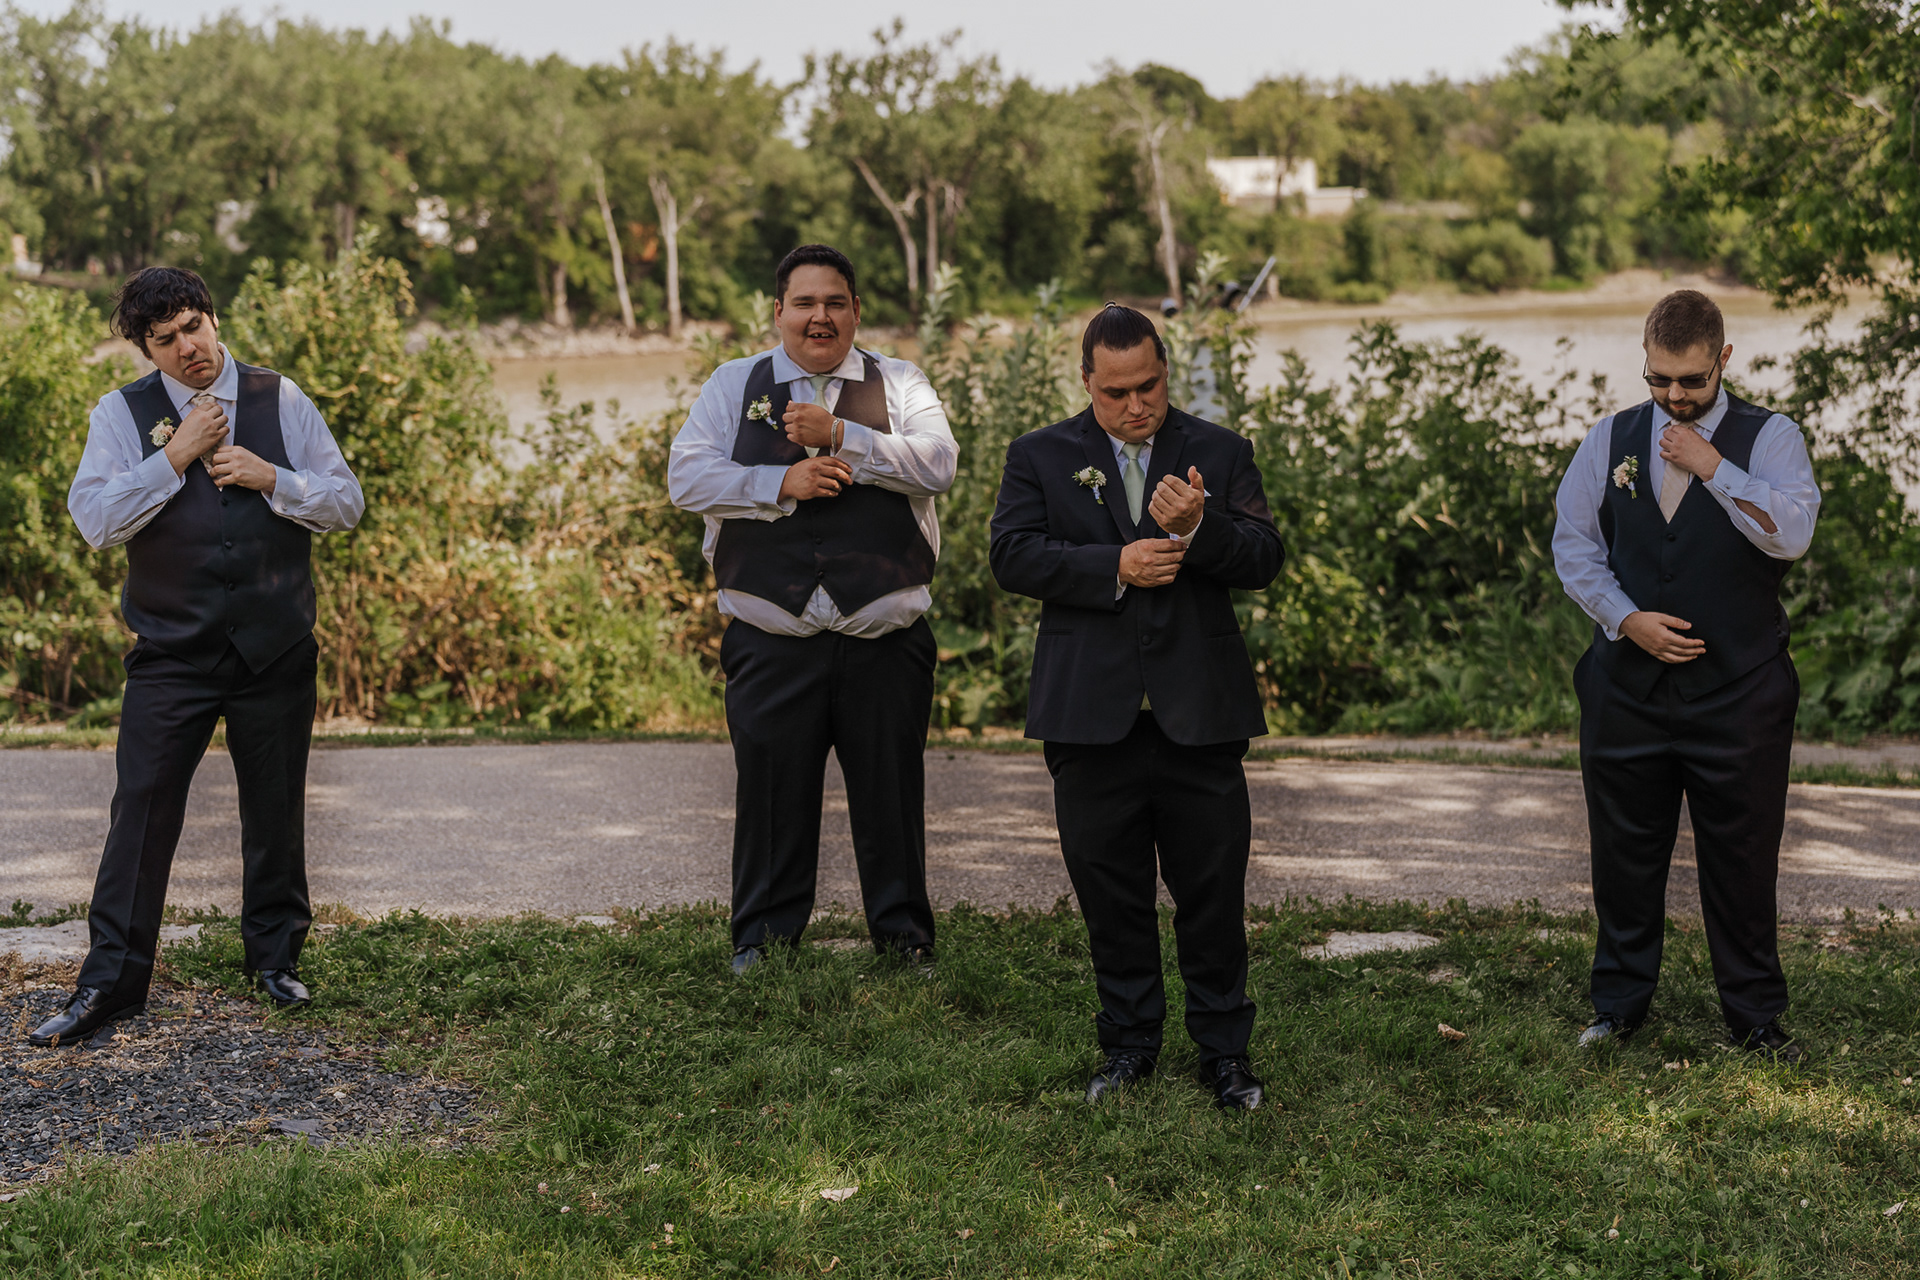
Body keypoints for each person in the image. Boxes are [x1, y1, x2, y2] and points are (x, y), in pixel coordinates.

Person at [30, 267, 364, 1048]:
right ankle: (112, 984)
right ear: (147, 350)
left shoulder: (282, 398)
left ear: (213, 318)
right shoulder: (121, 414)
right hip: (171, 653)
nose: (187, 348)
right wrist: (174, 456)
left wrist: (273, 478)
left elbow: (346, 501)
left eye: (192, 327)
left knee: (275, 812)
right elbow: (95, 521)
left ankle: (275, 961)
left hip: (275, 648)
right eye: (165, 340)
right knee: (140, 814)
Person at [988, 303, 1285, 1109]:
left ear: (1166, 371)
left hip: (1201, 712)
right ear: (1086, 381)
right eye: (1115, 392)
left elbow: (1264, 556)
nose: (1135, 406)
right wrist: (1112, 565)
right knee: (1111, 894)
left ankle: (1225, 1054)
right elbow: (1010, 555)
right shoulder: (1040, 455)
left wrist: (1201, 527)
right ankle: (1127, 1047)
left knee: (1212, 895)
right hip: (1089, 714)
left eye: (1148, 386)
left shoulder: (1219, 450)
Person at [667, 244, 957, 974]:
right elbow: (686, 477)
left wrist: (845, 439)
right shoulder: (734, 383)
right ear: (779, 312)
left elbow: (939, 463)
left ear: (856, 311)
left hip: (885, 637)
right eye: (804, 303)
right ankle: (763, 942)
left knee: (891, 793)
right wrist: (779, 484)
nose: (819, 316)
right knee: (770, 794)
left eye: (834, 302)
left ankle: (905, 940)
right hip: (771, 636)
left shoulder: (901, 381)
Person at [1552, 289, 1821, 1063]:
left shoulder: (1770, 438)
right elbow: (1575, 545)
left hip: (1741, 694)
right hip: (1625, 692)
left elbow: (1792, 534)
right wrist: (1625, 618)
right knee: (1623, 855)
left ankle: (1755, 1018)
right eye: (1659, 379)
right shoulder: (1609, 439)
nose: (1675, 396)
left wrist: (1715, 469)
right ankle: (1618, 1007)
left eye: (1692, 381)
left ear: (1723, 359)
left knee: (1743, 860)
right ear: (1646, 361)